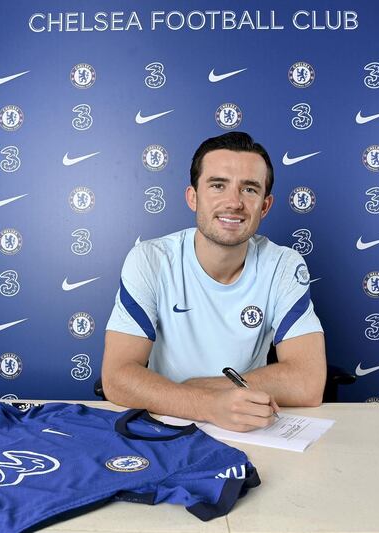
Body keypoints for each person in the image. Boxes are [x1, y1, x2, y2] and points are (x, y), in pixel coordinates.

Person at [102, 132, 326, 432]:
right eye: (218, 185)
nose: (234, 202)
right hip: (166, 422)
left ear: (265, 205)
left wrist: (208, 390)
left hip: (247, 423)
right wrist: (207, 404)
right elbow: (117, 376)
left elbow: (308, 381)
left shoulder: (283, 264)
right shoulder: (150, 259)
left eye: (249, 189)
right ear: (193, 197)